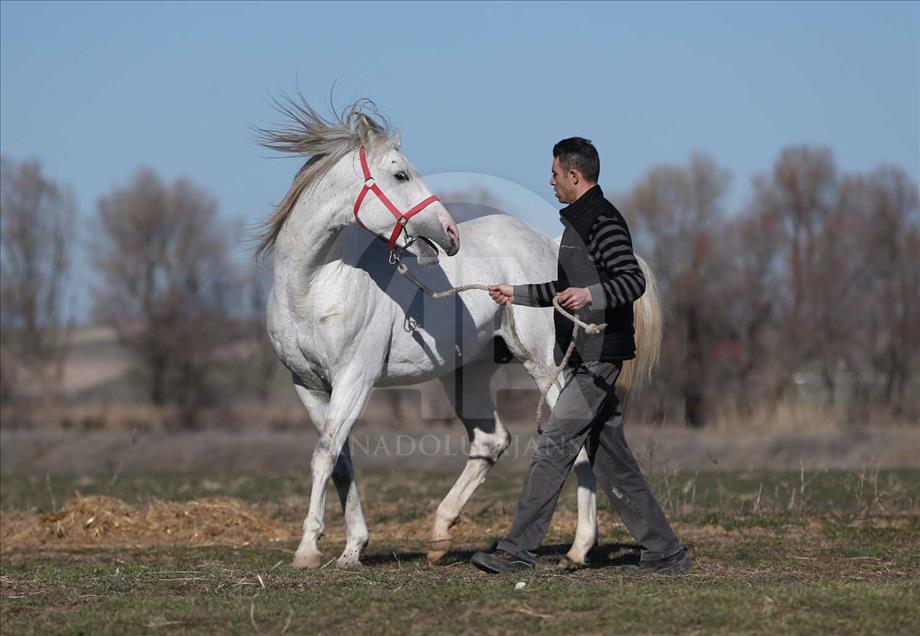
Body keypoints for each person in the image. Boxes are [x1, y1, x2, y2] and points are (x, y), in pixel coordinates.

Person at [471, 138, 690, 575]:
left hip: (598, 358)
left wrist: (591, 293)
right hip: (583, 358)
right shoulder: (577, 225)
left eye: (555, 174)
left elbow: (632, 281)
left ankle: (516, 550)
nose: (550, 181)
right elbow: (562, 293)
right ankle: (665, 553)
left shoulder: (603, 222)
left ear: (575, 176)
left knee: (552, 449)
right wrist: (517, 294)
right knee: (614, 461)